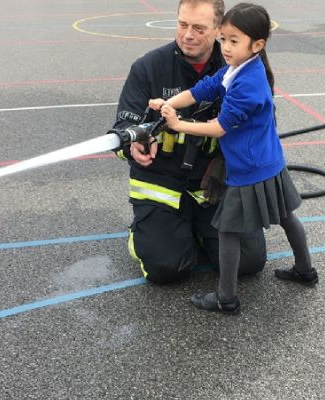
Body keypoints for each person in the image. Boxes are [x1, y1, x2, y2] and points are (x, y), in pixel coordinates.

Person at [150, 3, 319, 313]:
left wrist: (177, 124)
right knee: (285, 217)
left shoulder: (248, 83)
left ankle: (226, 298)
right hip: (269, 161)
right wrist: (168, 102)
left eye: (234, 40)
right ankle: (305, 271)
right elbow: (204, 89)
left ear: (257, 45)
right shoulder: (238, 69)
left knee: (228, 231)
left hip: (249, 169)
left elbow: (219, 128)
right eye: (223, 39)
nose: (225, 47)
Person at [113, 0, 267, 285]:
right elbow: (123, 128)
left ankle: (197, 225)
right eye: (182, 24)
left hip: (214, 182)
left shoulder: (238, 70)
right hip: (161, 182)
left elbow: (258, 128)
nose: (187, 34)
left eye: (199, 28)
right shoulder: (148, 67)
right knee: (166, 269)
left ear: (220, 30)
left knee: (248, 262)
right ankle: (144, 231)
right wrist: (133, 146)